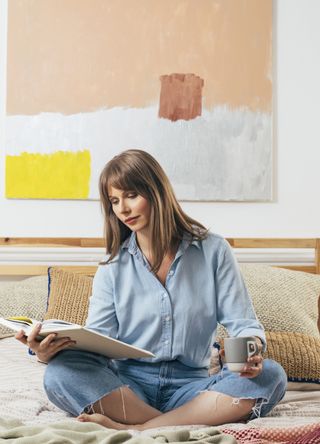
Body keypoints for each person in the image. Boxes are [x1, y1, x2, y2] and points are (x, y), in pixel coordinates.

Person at [15, 149, 287, 430]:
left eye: (131, 195)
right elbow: (97, 343)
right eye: (114, 201)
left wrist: (246, 357)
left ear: (157, 191)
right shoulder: (112, 267)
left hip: (193, 388)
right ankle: (178, 422)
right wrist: (47, 354)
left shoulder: (214, 251)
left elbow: (244, 325)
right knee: (59, 374)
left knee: (271, 374)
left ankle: (138, 428)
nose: (123, 209)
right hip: (128, 389)